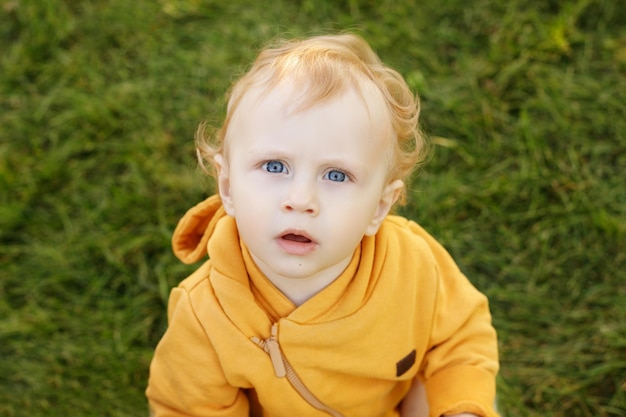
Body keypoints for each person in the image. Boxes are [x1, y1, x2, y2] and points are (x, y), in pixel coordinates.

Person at [146, 33, 500, 417]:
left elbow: (461, 336)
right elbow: (188, 408)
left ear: (379, 208)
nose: (301, 200)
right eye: (275, 166)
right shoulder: (205, 314)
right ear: (228, 186)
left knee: (460, 398)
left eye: (336, 175)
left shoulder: (412, 263)